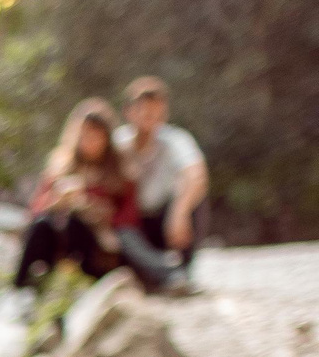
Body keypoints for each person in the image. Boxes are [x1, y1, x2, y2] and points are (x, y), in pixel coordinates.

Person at [14, 98, 136, 290]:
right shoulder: (60, 165)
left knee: (75, 225)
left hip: (99, 247)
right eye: (85, 135)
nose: (90, 142)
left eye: (96, 136)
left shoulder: (120, 171)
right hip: (59, 241)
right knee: (42, 225)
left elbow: (129, 218)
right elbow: (35, 210)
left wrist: (97, 210)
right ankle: (20, 287)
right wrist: (58, 200)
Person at [115, 75, 208, 293]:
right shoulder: (118, 143)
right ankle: (165, 274)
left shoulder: (175, 140)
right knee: (121, 228)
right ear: (129, 112)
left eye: (157, 114)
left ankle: (181, 270)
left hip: (166, 219)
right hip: (134, 225)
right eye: (146, 113)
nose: (151, 120)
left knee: (195, 198)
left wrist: (179, 213)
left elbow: (197, 176)